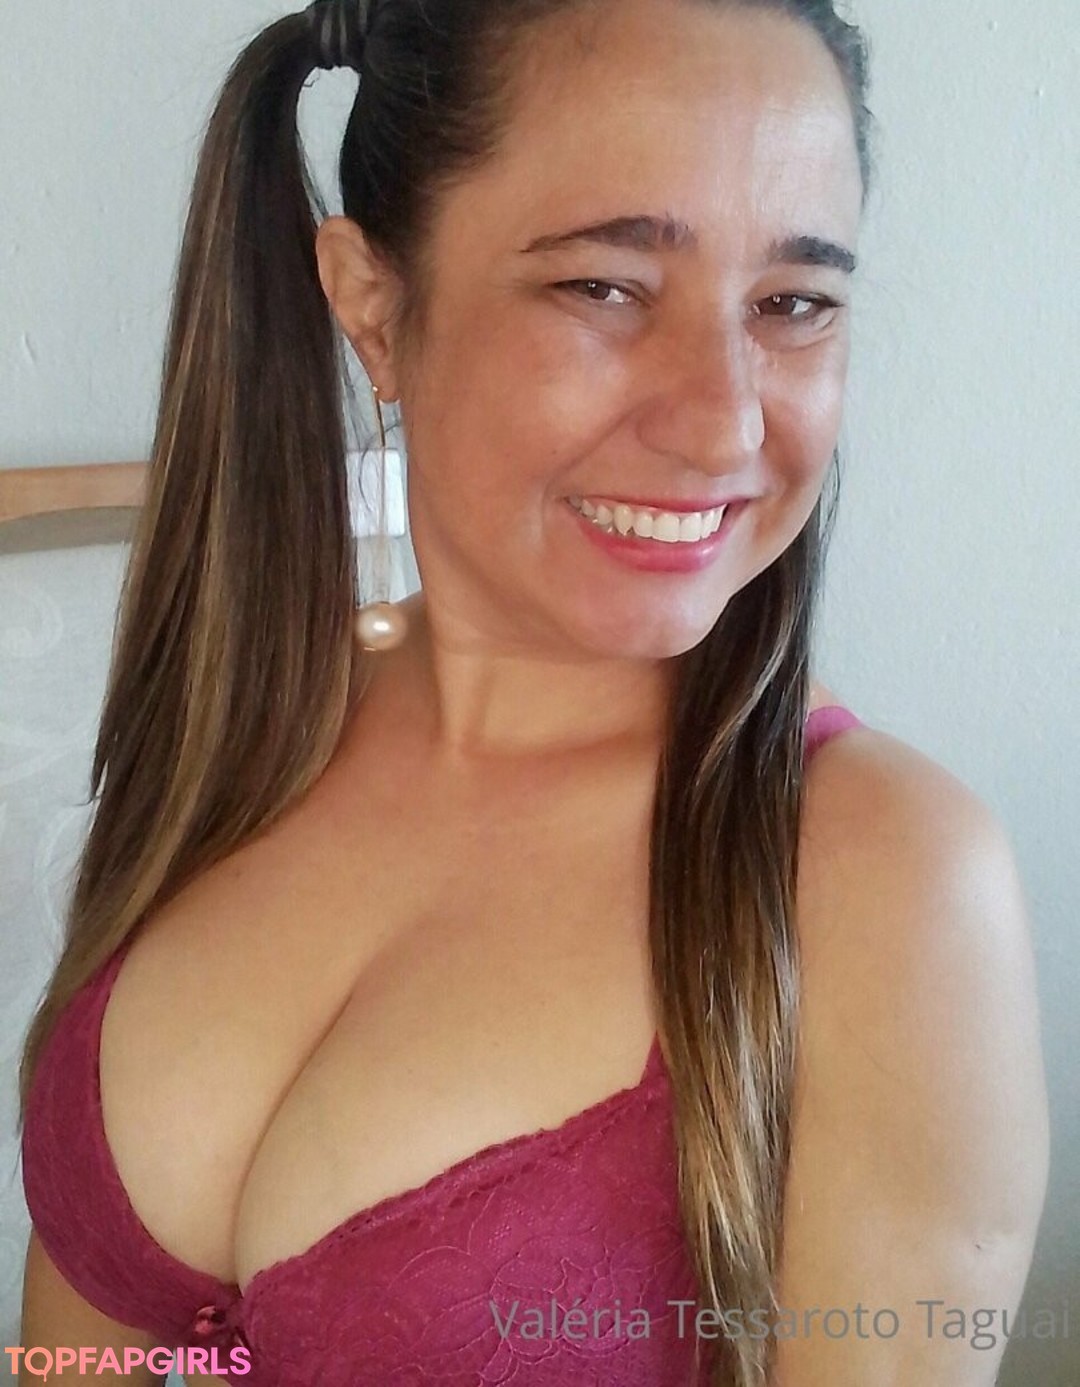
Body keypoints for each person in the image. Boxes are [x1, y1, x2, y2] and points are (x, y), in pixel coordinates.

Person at [16, 0, 1049, 1383]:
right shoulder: (245, 720)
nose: (724, 423)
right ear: (374, 306)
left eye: (793, 305)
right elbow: (81, 1348)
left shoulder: (882, 878)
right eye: (605, 288)